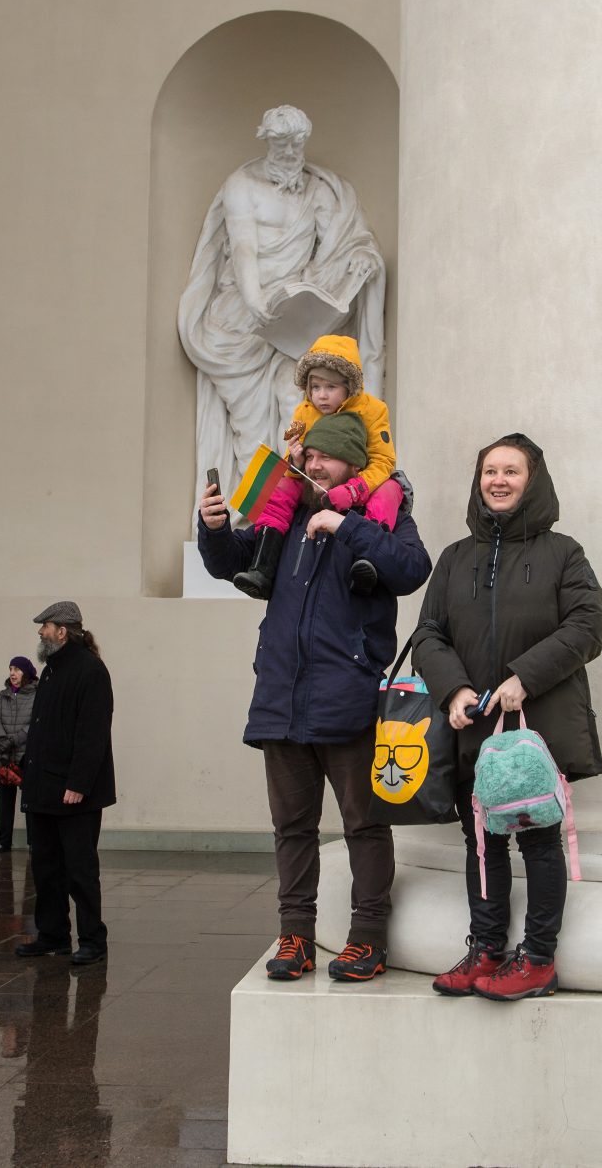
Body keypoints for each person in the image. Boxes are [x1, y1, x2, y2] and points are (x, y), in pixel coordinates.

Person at [198, 412, 432, 982]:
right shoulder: (285, 514)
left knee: (364, 824)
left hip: (346, 696)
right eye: (308, 456)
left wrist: (344, 525)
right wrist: (214, 527)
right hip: (281, 696)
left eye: (324, 457)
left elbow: (412, 568)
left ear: (352, 462)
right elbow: (233, 563)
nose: (311, 463)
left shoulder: (383, 515)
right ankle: (296, 936)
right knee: (292, 827)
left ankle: (368, 937)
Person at [412, 434, 602, 1001]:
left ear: (533, 480)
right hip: (470, 728)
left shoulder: (563, 553)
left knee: (540, 843)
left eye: (511, 471)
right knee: (480, 842)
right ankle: (488, 949)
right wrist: (453, 689)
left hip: (534, 731)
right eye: (489, 471)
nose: (498, 480)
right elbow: (427, 633)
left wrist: (524, 676)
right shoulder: (453, 558)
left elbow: (586, 627)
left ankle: (538, 958)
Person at [178, 105, 386, 504]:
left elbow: (342, 241)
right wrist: (255, 302)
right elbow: (242, 249)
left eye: (296, 144)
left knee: (299, 416)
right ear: (267, 141)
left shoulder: (317, 190)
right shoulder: (241, 184)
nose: (290, 152)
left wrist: (360, 256)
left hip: (298, 321)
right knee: (252, 432)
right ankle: (253, 523)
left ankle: (292, 519)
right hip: (242, 323)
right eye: (281, 144)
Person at [232, 333, 406, 599]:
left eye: (330, 387)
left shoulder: (374, 410)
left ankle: (367, 560)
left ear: (348, 386)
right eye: (315, 387)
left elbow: (383, 460)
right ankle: (263, 565)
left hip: (363, 480)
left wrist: (354, 489)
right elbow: (297, 466)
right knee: (280, 490)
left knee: (390, 491)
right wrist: (295, 461)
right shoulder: (304, 412)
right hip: (313, 483)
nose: (321, 396)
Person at [15, 602, 115, 966]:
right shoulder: (52, 669)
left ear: (63, 631)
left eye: (46, 625)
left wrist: (78, 783)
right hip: (42, 788)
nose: (41, 632)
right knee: (45, 867)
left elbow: (92, 733)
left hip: (74, 793)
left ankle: (92, 940)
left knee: (80, 870)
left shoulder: (90, 669)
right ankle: (53, 935)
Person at [0, 656, 38, 854]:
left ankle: (33, 841)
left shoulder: (36, 694)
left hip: (26, 755)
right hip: (4, 755)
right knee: (5, 801)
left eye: (17, 669)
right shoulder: (3, 695)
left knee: (30, 802)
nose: (12, 673)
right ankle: (3, 840)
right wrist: (2, 742)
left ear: (26, 672)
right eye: (10, 668)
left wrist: (13, 740)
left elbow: (34, 724)